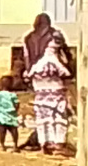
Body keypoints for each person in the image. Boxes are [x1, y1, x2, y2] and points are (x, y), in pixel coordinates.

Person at [23, 13, 75, 155]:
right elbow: (65, 53)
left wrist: (30, 74)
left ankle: (45, 142)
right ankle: (59, 143)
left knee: (42, 112)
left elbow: (26, 58)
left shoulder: (28, 38)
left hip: (38, 79)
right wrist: (70, 69)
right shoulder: (55, 35)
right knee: (58, 112)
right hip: (54, 76)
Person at [29, 40, 73, 156]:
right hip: (56, 97)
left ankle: (45, 144)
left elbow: (28, 76)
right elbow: (67, 74)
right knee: (59, 121)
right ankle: (58, 146)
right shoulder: (56, 62)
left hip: (40, 98)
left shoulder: (37, 65)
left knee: (43, 122)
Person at [0, 76, 21, 152]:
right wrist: (15, 111)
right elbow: (17, 104)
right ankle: (15, 145)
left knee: (2, 131)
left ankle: (2, 145)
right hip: (11, 115)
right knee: (14, 130)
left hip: (1, 115)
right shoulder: (12, 95)